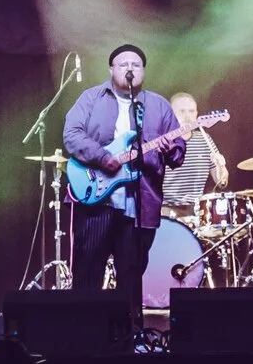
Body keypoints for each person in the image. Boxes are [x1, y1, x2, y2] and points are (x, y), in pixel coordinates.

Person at [62, 44, 189, 295]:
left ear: (143, 71)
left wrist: (170, 149)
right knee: (87, 279)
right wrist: (102, 157)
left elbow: (178, 152)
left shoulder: (159, 105)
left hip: (140, 207)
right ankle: (87, 322)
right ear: (111, 69)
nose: (130, 68)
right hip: (96, 201)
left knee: (131, 284)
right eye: (123, 64)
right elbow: (72, 134)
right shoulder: (91, 98)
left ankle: (128, 322)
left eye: (136, 65)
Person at [158, 92, 231, 214]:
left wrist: (221, 166)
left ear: (197, 114)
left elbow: (222, 184)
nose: (187, 116)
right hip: (166, 209)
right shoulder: (162, 142)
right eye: (182, 111)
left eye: (191, 111)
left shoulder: (204, 139)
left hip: (197, 211)